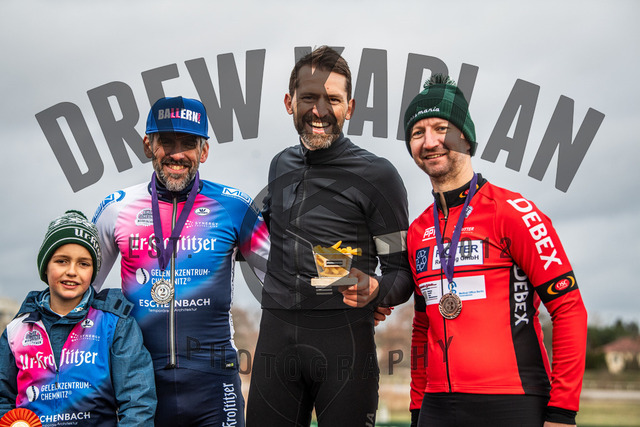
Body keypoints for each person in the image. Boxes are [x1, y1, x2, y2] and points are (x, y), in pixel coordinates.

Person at [404, 74, 588, 427]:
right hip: (436, 407)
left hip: (513, 401)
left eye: (442, 129)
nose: (430, 142)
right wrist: (417, 407)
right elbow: (422, 326)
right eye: (417, 132)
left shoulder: (514, 212)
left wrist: (563, 412)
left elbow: (569, 309)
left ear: (466, 137)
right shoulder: (417, 230)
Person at [246, 46, 412, 426]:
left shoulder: (378, 175)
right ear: (289, 102)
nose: (319, 110)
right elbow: (269, 233)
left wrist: (376, 290)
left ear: (349, 108)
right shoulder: (280, 165)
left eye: (332, 100)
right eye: (308, 97)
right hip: (275, 341)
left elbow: (401, 272)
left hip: (344, 345)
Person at [91, 96, 269, 427]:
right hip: (140, 385)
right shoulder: (117, 208)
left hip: (215, 381)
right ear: (148, 145)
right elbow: (80, 291)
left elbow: (281, 279)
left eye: (188, 143)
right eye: (166, 142)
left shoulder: (234, 206)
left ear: (204, 151)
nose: (177, 154)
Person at [0, 210, 156, 426]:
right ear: (45, 266)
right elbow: (3, 399)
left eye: (84, 263)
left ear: (93, 271)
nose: (72, 271)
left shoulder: (115, 324)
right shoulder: (16, 331)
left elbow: (138, 402)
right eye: (62, 261)